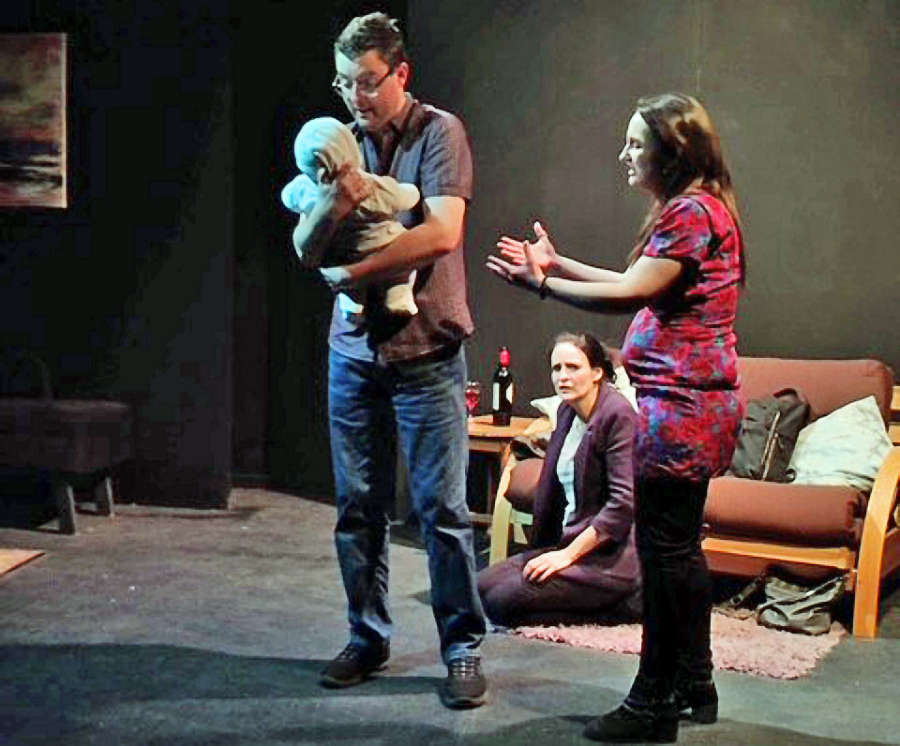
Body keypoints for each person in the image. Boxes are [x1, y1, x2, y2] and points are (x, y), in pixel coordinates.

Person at [486, 93, 745, 743]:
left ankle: (653, 701)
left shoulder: (690, 213)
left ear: (671, 153)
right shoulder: (699, 210)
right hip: (689, 408)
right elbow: (635, 278)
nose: (624, 155)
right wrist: (558, 263)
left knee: (665, 559)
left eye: (636, 144)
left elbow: (629, 293)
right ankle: (695, 682)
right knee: (679, 552)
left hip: (679, 411)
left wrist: (542, 285)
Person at [292, 13, 488, 709]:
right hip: (353, 353)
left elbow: (441, 232)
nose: (357, 96)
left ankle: (461, 647)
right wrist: (334, 204)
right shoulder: (334, 141)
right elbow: (306, 243)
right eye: (345, 82)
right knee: (357, 508)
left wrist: (356, 271)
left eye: (369, 81)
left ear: (401, 72)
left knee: (442, 510)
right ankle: (366, 637)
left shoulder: (439, 132)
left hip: (427, 348)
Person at [477, 332, 641, 628]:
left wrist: (566, 556)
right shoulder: (567, 411)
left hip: (608, 560)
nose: (562, 377)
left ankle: (620, 607)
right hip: (570, 542)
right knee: (482, 586)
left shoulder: (618, 416)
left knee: (502, 600)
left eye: (573, 367)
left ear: (597, 373)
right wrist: (547, 551)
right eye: (557, 368)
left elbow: (622, 505)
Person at [281, 116, 420, 320]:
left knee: (353, 266)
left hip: (346, 257)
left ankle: (356, 299)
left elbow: (289, 197)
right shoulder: (367, 186)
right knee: (399, 267)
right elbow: (402, 197)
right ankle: (394, 293)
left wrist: (353, 274)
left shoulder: (305, 189)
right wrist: (412, 191)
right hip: (376, 246)